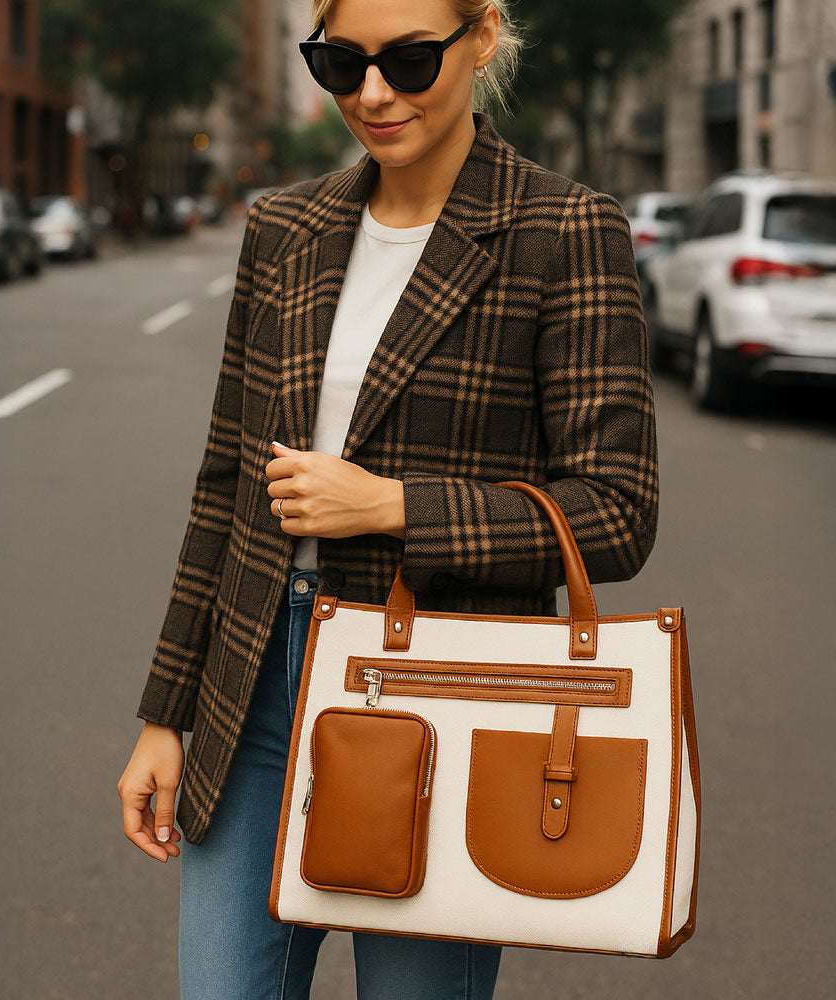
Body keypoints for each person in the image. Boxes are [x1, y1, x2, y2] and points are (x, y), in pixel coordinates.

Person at [117, 0, 659, 996]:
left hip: (440, 697)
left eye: (410, 60)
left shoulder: (565, 232)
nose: (373, 94)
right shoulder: (283, 227)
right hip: (254, 689)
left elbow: (616, 509)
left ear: (481, 37)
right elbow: (226, 485)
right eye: (339, 62)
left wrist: (396, 506)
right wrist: (166, 711)